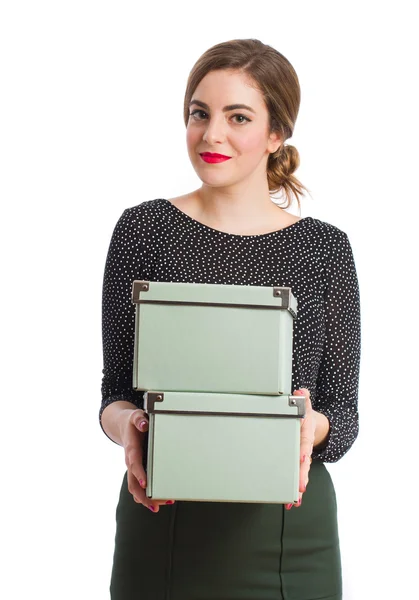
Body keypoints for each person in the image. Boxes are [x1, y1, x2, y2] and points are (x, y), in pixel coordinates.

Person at [99, 38, 361, 600]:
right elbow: (117, 392)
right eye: (200, 114)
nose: (211, 134)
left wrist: (306, 427)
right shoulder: (144, 231)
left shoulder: (324, 249)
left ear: (275, 134)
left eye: (237, 117)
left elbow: (343, 414)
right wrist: (131, 431)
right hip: (162, 522)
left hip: (290, 535)